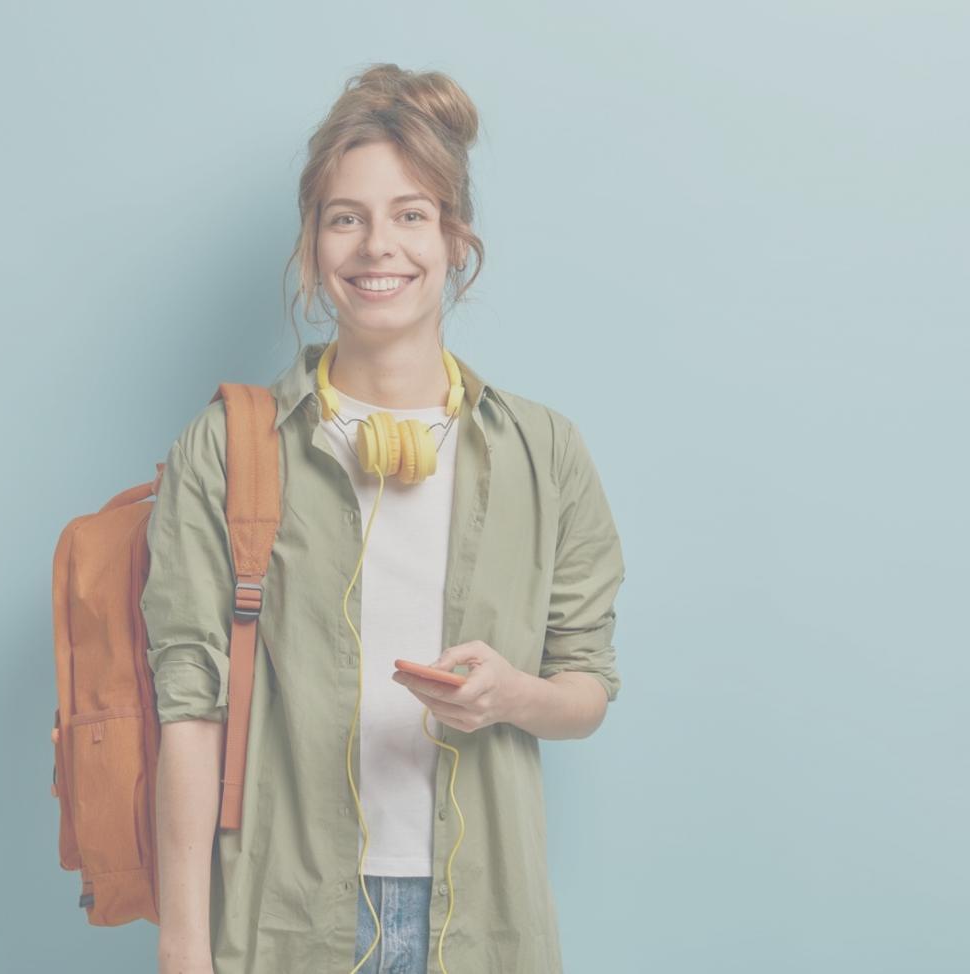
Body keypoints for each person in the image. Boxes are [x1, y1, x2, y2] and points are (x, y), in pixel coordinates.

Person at [143, 63, 626, 974]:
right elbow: (190, 708)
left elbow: (587, 687)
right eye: (345, 217)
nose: (378, 247)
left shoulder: (545, 453)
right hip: (281, 915)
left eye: (410, 214)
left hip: (483, 917)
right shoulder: (230, 447)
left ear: (454, 239)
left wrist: (511, 697)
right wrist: (183, 947)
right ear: (312, 243)